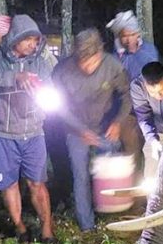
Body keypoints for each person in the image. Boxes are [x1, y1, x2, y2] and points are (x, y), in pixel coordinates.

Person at [0, 14, 56, 244]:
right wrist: (13, 77)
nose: (33, 45)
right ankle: (20, 228)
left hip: (33, 131)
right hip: (2, 133)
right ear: (15, 38)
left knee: (37, 182)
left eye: (36, 40)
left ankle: (47, 230)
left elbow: (49, 85)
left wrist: (43, 99)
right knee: (9, 184)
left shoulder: (39, 60)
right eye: (28, 40)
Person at [51, 28, 132, 232]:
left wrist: (117, 122)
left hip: (106, 127)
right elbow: (59, 107)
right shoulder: (62, 71)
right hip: (75, 129)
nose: (87, 67)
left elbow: (126, 96)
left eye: (92, 61)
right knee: (81, 176)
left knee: (109, 170)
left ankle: (112, 215)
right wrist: (80, 130)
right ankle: (87, 225)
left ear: (100, 53)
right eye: (83, 62)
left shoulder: (112, 66)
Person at [106, 10, 160, 81]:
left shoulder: (149, 51)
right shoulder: (114, 59)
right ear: (118, 37)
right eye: (124, 36)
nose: (129, 40)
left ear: (138, 34)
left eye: (132, 35)